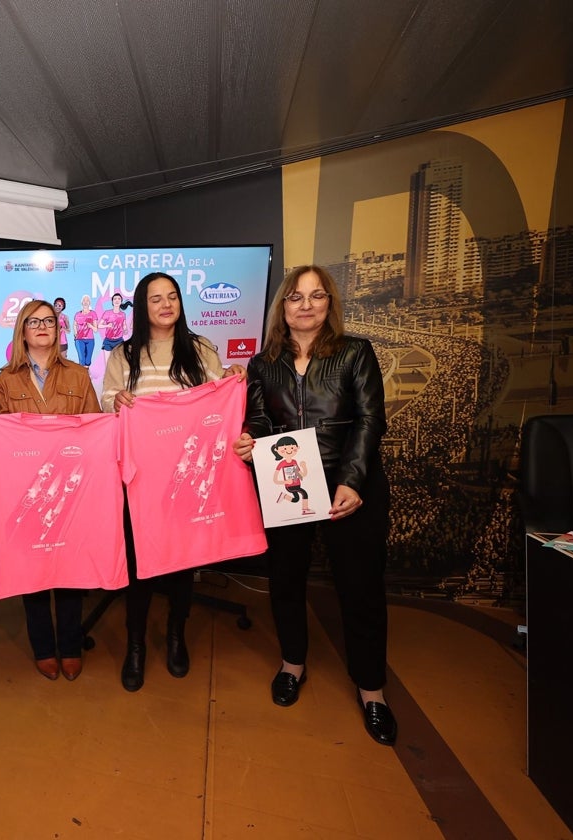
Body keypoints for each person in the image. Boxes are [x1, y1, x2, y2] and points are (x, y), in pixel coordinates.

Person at [232, 265, 396, 746]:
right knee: (285, 580)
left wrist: (353, 480)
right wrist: (249, 439)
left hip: (351, 486)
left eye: (316, 296)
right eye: (296, 297)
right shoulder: (263, 364)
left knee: (360, 588)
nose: (306, 305)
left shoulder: (354, 352)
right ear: (282, 307)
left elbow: (370, 420)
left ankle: (372, 691)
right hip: (289, 483)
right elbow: (261, 419)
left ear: (329, 304)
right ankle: (292, 664)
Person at [101, 273, 244, 692]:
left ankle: (177, 635)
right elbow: (106, 402)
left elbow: (219, 404)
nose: (166, 305)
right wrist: (118, 400)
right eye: (155, 299)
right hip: (141, 481)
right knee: (140, 568)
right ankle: (136, 645)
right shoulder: (123, 355)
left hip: (189, 476)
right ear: (142, 307)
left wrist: (232, 378)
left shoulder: (201, 350)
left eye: (172, 297)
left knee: (183, 565)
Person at [0, 300, 100, 681]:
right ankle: (42, 647)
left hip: (70, 487)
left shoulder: (79, 376)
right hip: (27, 492)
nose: (41, 327)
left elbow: (95, 431)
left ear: (58, 329)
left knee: (69, 570)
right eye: (33, 322)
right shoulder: (5, 381)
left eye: (48, 321)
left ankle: (70, 645)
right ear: (21, 330)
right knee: (33, 570)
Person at [73, 295, 98, 366]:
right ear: (82, 303)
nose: (85, 302)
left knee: (88, 360)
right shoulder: (77, 314)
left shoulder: (93, 313)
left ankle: (86, 372)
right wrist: (75, 333)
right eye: (84, 300)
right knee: (82, 359)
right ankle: (83, 376)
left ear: (89, 303)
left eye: (87, 300)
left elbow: (96, 329)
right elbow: (74, 325)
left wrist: (90, 326)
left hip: (90, 340)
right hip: (79, 339)